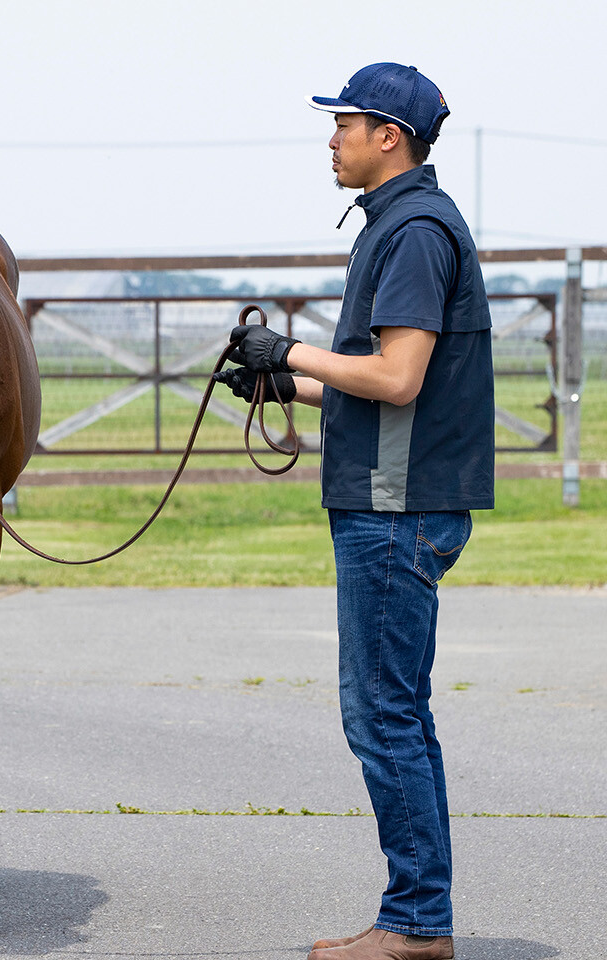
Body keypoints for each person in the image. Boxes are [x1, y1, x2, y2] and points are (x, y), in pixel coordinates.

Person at [214, 63, 494, 960]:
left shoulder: (412, 231)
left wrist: (290, 344)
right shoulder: (401, 224)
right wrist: (282, 379)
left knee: (384, 716)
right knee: (392, 711)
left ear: (390, 137)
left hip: (396, 511)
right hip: (393, 502)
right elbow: (375, 381)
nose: (331, 138)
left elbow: (399, 378)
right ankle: (420, 915)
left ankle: (416, 924)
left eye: (346, 123)